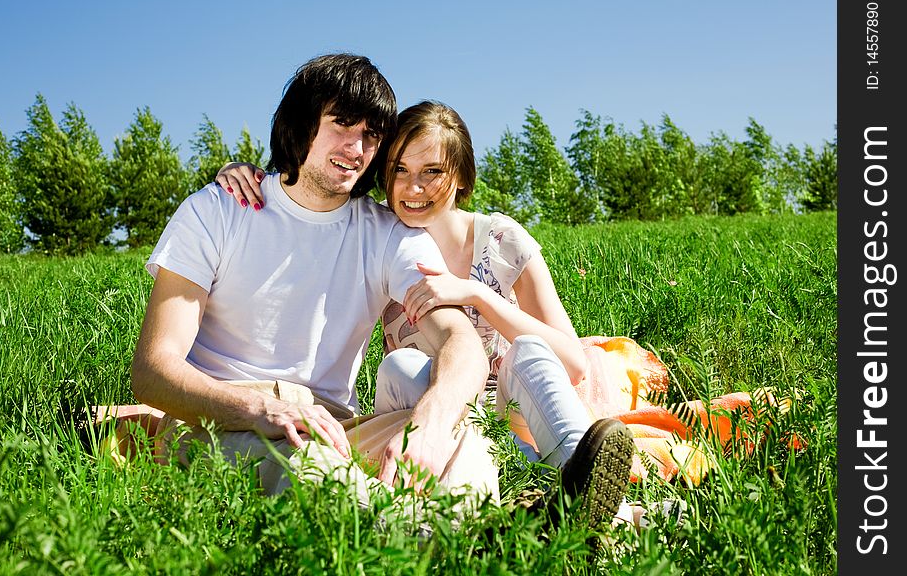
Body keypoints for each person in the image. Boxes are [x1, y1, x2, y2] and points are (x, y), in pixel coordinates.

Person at [216, 100, 636, 530]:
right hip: (422, 406)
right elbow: (310, 200)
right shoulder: (378, 237)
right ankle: (544, 490)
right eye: (399, 170)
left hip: (511, 407)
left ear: (461, 175)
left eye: (431, 172)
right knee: (401, 364)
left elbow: (574, 363)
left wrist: (478, 295)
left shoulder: (501, 240)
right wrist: (244, 172)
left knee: (528, 349)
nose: (412, 188)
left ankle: (592, 487)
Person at [129, 55, 499, 509]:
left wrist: (431, 420)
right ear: (303, 122)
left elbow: (461, 341)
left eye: (371, 135)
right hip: (218, 420)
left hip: (334, 425)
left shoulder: (389, 236)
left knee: (463, 434)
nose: (356, 147)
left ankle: (485, 537)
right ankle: (432, 534)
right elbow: (152, 371)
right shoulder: (216, 211)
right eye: (342, 124)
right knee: (309, 465)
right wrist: (262, 409)